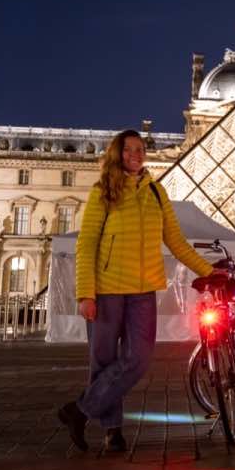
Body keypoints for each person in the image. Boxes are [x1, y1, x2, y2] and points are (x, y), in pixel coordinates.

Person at [57, 129, 215, 453]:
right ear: (118, 153)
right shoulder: (103, 191)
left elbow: (177, 243)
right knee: (102, 362)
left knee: (139, 359)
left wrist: (211, 272)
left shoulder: (157, 192)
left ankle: (80, 410)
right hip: (107, 290)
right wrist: (85, 293)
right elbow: (86, 245)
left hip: (142, 291)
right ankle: (112, 431)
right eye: (129, 149)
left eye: (140, 149)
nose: (135, 154)